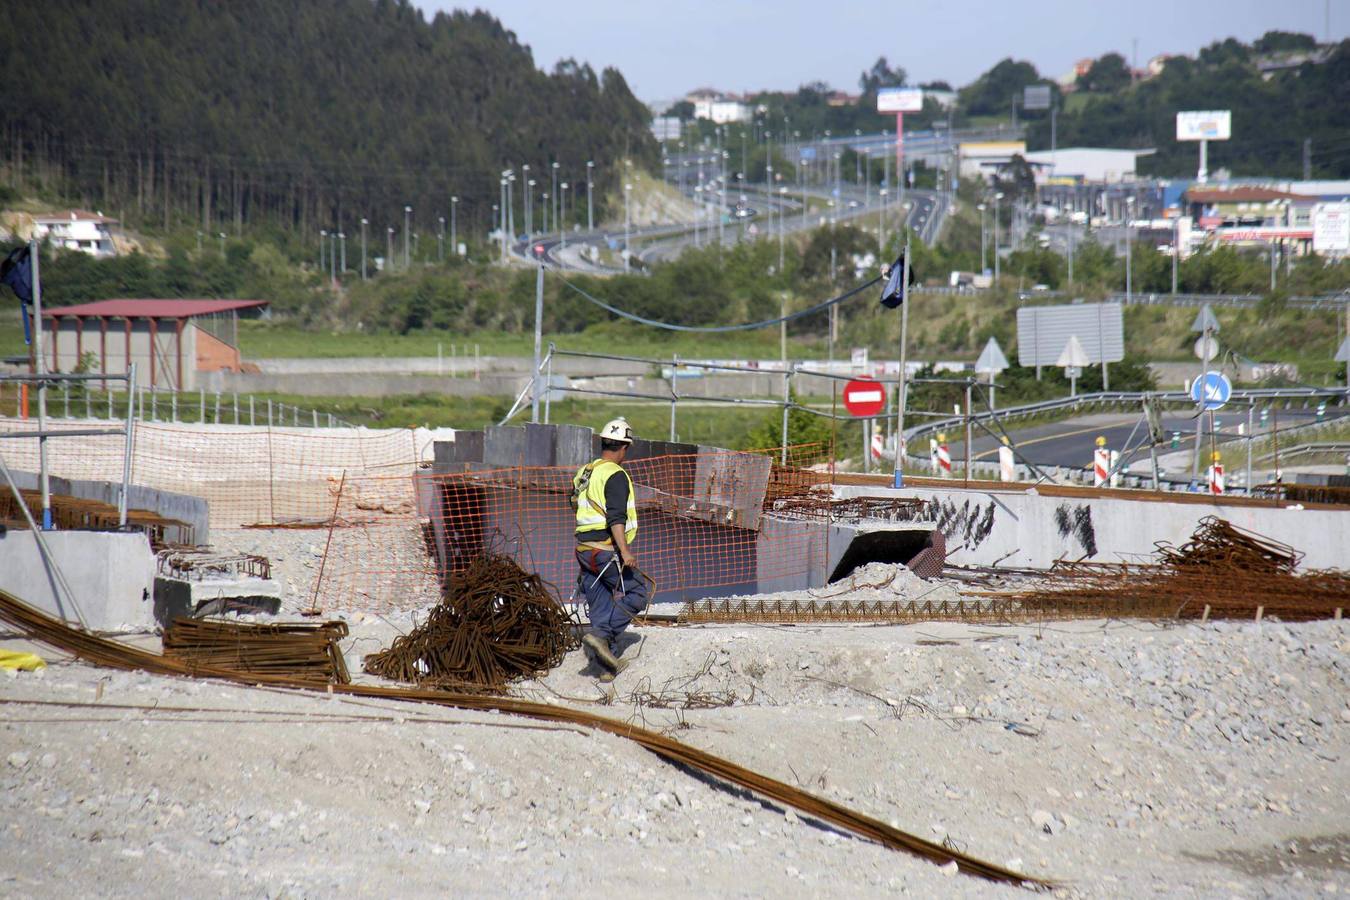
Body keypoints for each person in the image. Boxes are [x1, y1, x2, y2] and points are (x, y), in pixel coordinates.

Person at [571, 417, 647, 680]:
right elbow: (616, 518)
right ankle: (601, 637)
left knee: (601, 607)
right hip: (604, 551)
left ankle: (607, 666)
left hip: (583, 550)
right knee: (638, 592)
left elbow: (575, 503)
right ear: (624, 447)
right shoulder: (615, 475)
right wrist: (625, 552)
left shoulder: (585, 472)